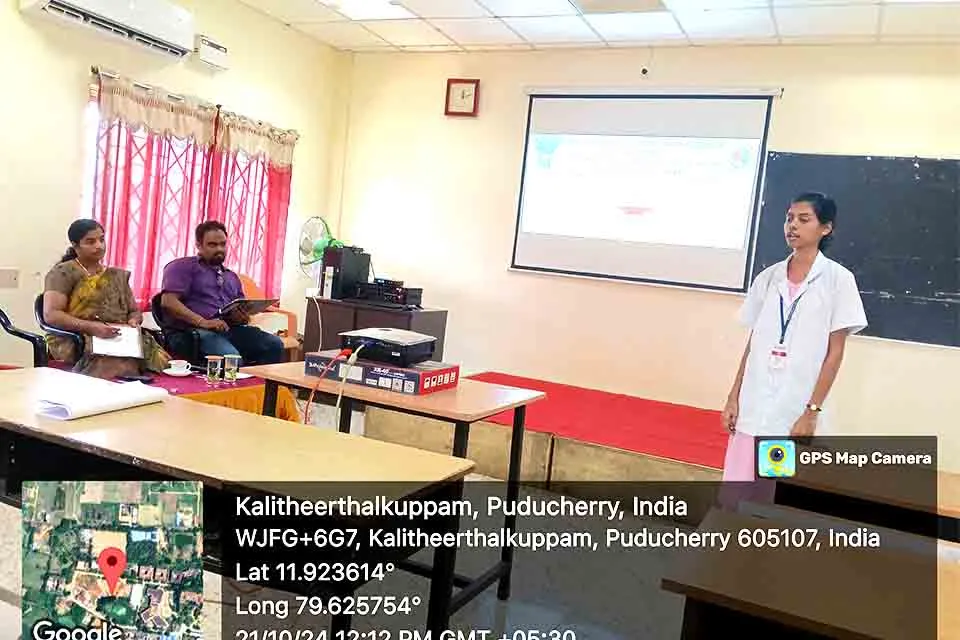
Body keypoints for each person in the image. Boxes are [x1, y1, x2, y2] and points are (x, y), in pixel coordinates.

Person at [719, 193, 867, 502]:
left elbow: (835, 353)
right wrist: (734, 396)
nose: (792, 226)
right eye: (789, 218)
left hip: (793, 409)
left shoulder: (838, 280)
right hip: (753, 403)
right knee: (736, 491)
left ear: (825, 228)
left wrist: (811, 411)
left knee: (772, 493)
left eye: (803, 219)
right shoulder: (768, 277)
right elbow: (753, 344)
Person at [43, 219, 170, 379]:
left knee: (165, 365)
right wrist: (92, 328)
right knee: (117, 363)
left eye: (102, 239)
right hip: (77, 337)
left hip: (118, 336)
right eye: (90, 242)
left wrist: (133, 321)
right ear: (75, 245)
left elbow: (133, 311)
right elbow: (52, 315)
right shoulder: (62, 273)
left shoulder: (116, 275)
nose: (99, 246)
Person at [160, 221, 284, 365]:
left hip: (228, 330)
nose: (219, 249)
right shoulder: (182, 267)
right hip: (193, 332)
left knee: (274, 344)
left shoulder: (231, 277)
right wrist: (203, 322)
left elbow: (240, 308)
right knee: (232, 360)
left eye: (223, 244)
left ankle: (256, 380)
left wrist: (241, 317)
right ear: (199, 245)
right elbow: (168, 302)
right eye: (212, 245)